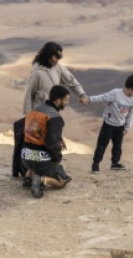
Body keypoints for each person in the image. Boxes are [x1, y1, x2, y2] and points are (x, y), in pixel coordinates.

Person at [12, 41, 89, 178]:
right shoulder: (37, 72)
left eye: (60, 57)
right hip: (37, 115)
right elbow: (29, 93)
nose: (59, 60)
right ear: (48, 55)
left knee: (51, 139)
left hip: (52, 112)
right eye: (57, 57)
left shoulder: (57, 68)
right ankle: (29, 171)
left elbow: (71, 80)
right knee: (35, 143)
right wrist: (29, 117)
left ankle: (41, 169)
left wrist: (81, 94)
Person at [22, 85, 73, 198]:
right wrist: (57, 159)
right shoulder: (55, 117)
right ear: (58, 100)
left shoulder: (35, 110)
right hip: (41, 160)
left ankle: (28, 178)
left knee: (34, 162)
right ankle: (41, 180)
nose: (67, 103)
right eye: (66, 100)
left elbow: (38, 131)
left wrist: (60, 138)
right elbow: (52, 143)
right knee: (63, 180)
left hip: (25, 157)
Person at [89, 73, 133, 172]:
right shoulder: (115, 93)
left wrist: (127, 128)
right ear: (131, 88)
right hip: (108, 125)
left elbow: (131, 115)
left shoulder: (132, 100)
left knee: (118, 146)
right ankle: (96, 164)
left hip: (120, 126)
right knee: (102, 144)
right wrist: (89, 99)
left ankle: (115, 163)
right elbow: (102, 97)